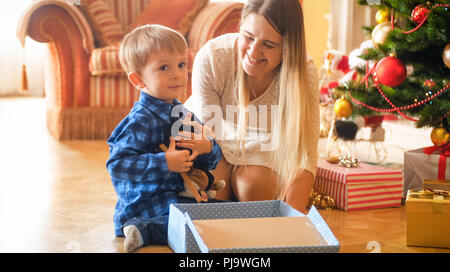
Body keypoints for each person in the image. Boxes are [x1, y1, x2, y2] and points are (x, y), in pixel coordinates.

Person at [185, 0, 319, 213]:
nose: (253, 52)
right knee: (215, 189)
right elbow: (210, 135)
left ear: (287, 47)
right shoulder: (212, 57)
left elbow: (306, 151)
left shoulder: (304, 72)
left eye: (268, 45)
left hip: (258, 148)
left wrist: (295, 215)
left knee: (253, 187)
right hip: (209, 142)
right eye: (248, 37)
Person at [106, 24, 223, 252]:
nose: (177, 74)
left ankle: (157, 227)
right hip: (145, 205)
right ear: (138, 79)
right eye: (164, 68)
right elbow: (117, 165)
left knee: (224, 214)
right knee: (191, 223)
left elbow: (213, 159)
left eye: (181, 65)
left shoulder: (183, 114)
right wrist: (164, 163)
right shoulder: (139, 121)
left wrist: (207, 147)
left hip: (177, 199)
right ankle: (142, 229)